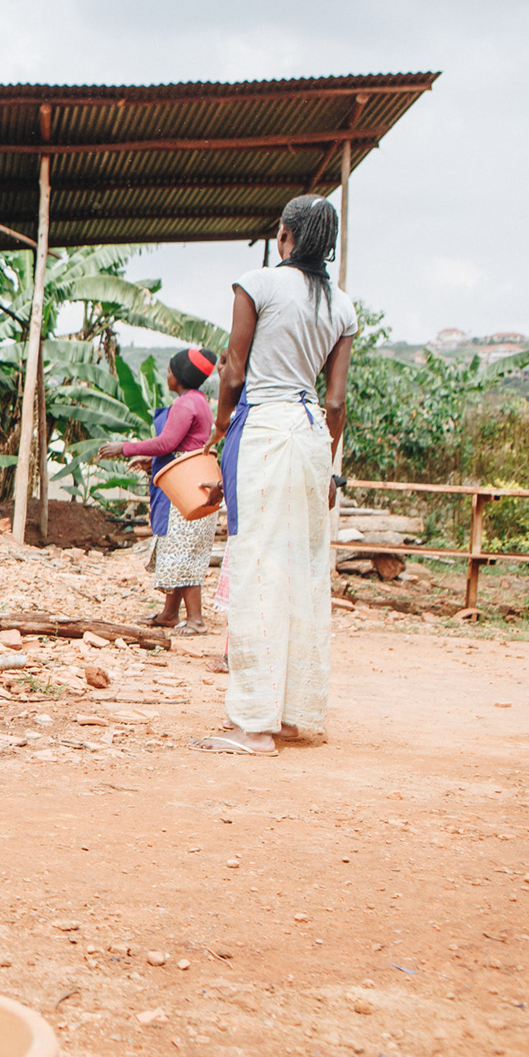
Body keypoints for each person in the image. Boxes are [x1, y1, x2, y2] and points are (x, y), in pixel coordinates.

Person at [194, 195, 356, 757]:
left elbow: (233, 367)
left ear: (284, 234)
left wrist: (218, 428)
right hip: (311, 436)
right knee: (302, 568)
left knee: (256, 564)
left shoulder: (256, 283)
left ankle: (254, 725)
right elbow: (335, 402)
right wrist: (327, 466)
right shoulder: (342, 306)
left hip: (264, 427)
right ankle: (290, 713)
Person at [98, 348, 220, 634]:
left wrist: (124, 448)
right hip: (194, 479)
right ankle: (169, 614)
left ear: (179, 376)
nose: (166, 376)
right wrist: (151, 460)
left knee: (183, 550)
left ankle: (196, 620)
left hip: (185, 484)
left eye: (169, 371)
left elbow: (166, 443)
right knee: (179, 548)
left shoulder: (185, 405)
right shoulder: (199, 402)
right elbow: (181, 444)